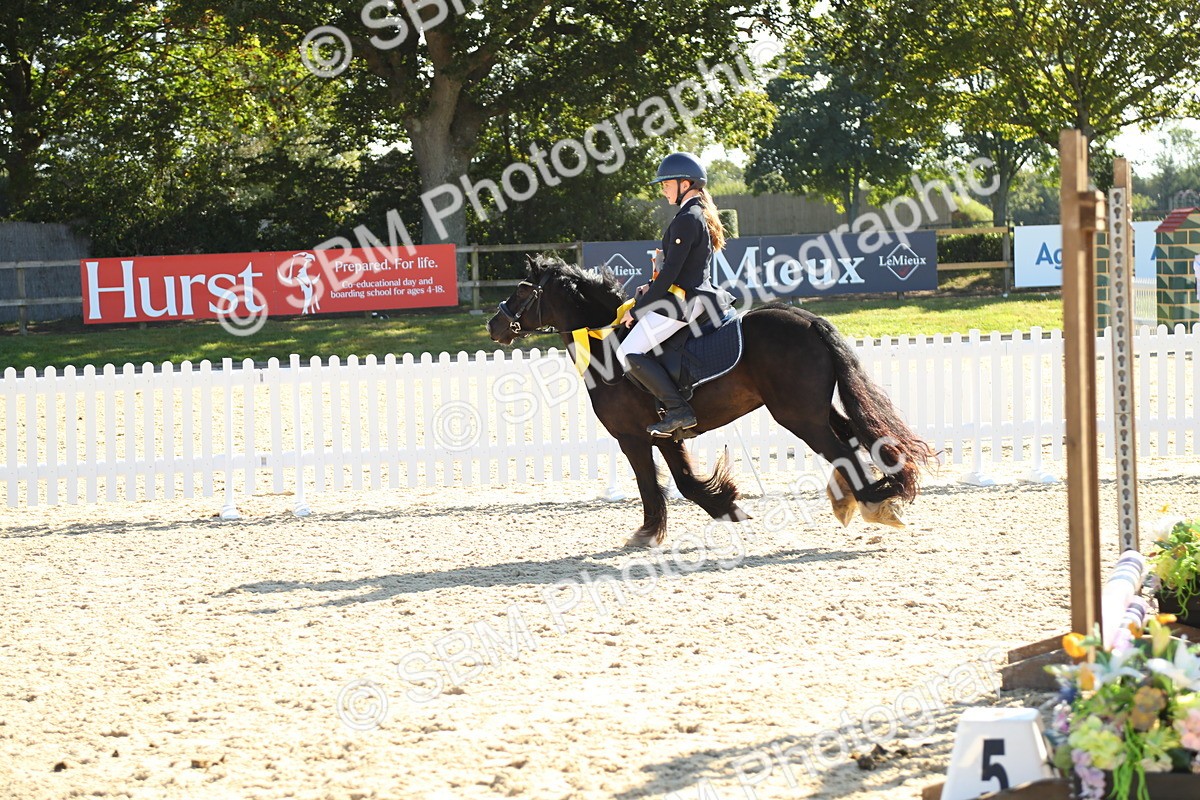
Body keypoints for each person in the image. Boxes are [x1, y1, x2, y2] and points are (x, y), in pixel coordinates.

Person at [618, 152, 732, 438]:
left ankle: (678, 409)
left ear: (686, 184)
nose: (663, 189)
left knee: (627, 352)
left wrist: (638, 310)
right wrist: (649, 286)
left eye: (667, 184)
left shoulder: (687, 219)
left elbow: (670, 275)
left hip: (685, 303)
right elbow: (672, 271)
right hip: (690, 297)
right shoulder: (694, 215)